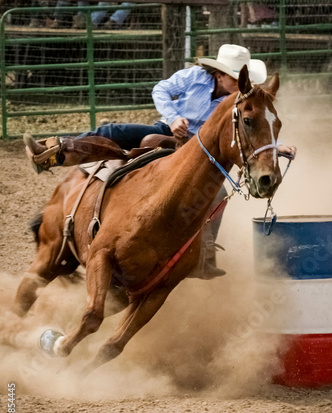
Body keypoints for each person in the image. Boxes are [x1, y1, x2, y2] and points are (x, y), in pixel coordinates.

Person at [24, 44, 296, 279]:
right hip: (169, 131)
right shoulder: (194, 77)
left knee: (216, 194)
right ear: (221, 74)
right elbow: (161, 90)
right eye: (237, 78)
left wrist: (275, 146)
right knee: (112, 133)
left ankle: (204, 255)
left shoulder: (238, 104)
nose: (240, 84)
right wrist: (174, 117)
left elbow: (255, 129)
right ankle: (53, 154)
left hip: (201, 151)